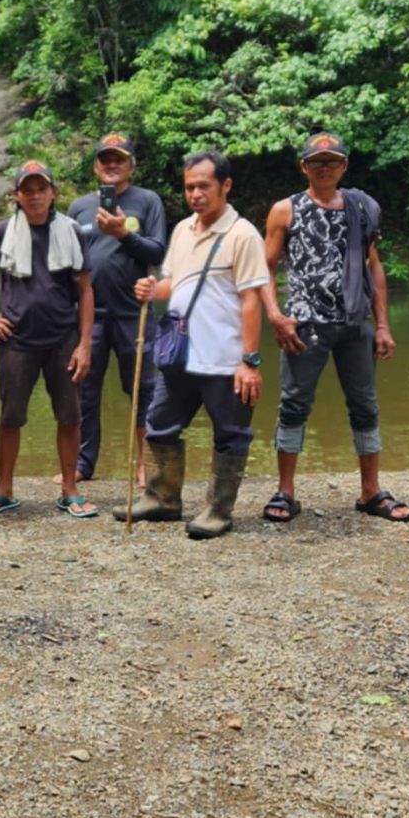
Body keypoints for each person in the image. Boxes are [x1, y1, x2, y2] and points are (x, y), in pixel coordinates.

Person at [261, 132, 409, 524]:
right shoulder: (285, 210)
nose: (324, 168)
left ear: (344, 166)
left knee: (365, 406)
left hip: (354, 322)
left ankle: (370, 491)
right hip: (303, 324)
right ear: (303, 167)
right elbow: (265, 267)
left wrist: (382, 325)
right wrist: (275, 315)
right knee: (293, 405)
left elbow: (374, 267)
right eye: (316, 162)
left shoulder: (360, 209)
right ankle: (286, 491)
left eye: (332, 161)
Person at [122, 150, 269, 539]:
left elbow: (252, 299)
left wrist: (249, 361)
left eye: (204, 185)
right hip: (179, 354)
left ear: (225, 185)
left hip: (225, 359)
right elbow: (174, 283)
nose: (196, 193)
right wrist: (153, 289)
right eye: (190, 186)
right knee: (159, 425)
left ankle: (218, 511)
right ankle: (162, 498)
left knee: (230, 435)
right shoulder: (183, 230)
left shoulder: (243, 234)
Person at [0, 161, 97, 518]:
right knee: (10, 417)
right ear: (17, 196)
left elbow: (86, 290)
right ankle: (4, 489)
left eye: (41, 188)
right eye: (27, 189)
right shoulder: (1, 232)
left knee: (70, 416)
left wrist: (85, 343)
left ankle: (70, 489)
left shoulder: (71, 230)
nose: (35, 195)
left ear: (53, 193)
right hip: (17, 340)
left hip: (63, 339)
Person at [68, 133, 168, 488]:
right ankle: (83, 463)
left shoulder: (147, 201)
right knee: (84, 390)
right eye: (105, 159)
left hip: (133, 314)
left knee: (143, 389)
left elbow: (157, 252)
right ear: (96, 166)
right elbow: (70, 264)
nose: (112, 164)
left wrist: (123, 233)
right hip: (89, 318)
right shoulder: (79, 208)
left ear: (131, 165)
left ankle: (144, 463)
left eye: (119, 159)